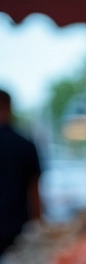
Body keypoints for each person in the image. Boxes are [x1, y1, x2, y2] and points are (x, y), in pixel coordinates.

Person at [0, 89, 42, 254]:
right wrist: (38, 225)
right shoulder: (24, 144)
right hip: (18, 228)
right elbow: (35, 189)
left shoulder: (25, 144)